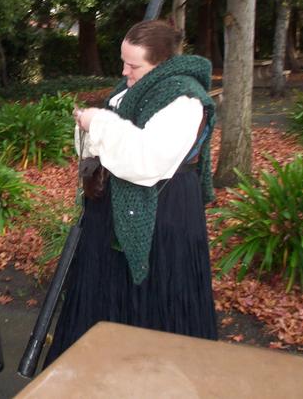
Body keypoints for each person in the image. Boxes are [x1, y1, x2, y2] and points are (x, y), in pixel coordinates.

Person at [44, 19, 218, 367]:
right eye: (123, 62)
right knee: (105, 300)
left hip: (164, 214)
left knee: (156, 304)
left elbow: (146, 159)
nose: (124, 72)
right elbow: (107, 144)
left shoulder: (185, 99)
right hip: (113, 214)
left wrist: (100, 123)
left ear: (162, 62)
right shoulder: (132, 89)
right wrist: (91, 125)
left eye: (133, 65)